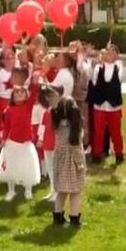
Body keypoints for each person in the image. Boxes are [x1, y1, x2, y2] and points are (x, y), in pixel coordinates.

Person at [0, 84, 41, 201]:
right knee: (10, 166)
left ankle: (28, 189)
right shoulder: (9, 110)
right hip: (12, 142)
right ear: (12, 96)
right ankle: (11, 190)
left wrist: (35, 81)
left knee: (27, 166)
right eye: (17, 92)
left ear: (26, 95)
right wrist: (4, 139)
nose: (19, 94)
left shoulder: (28, 106)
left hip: (25, 143)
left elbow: (34, 92)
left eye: (22, 92)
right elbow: (6, 126)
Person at [50, 96, 86, 227]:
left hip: (60, 162)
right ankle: (74, 217)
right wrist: (80, 164)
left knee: (61, 191)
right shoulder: (75, 129)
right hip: (72, 165)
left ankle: (57, 215)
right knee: (75, 192)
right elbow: (75, 149)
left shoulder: (58, 125)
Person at [89, 45, 126, 164]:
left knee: (116, 132)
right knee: (98, 131)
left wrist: (125, 66)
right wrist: (94, 64)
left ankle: (119, 153)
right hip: (100, 104)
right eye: (108, 51)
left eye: (112, 52)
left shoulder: (119, 67)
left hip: (114, 105)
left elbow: (123, 79)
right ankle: (97, 154)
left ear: (116, 55)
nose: (109, 54)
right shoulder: (98, 67)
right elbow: (93, 80)